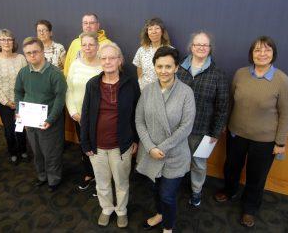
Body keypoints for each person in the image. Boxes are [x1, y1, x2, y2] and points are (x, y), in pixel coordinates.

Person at [214, 36, 288, 227]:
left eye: (267, 50)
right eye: (258, 50)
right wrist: (224, 123)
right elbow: (231, 101)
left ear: (273, 54)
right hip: (236, 133)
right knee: (231, 166)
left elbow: (286, 113)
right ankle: (230, 190)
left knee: (256, 176)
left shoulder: (281, 80)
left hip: (265, 140)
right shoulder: (240, 74)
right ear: (252, 54)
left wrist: (281, 143)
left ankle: (250, 208)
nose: (262, 54)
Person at [135, 46, 196, 232]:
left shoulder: (186, 92)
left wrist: (161, 147)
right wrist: (150, 147)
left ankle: (168, 227)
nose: (163, 71)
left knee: (168, 195)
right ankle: (160, 214)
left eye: (168, 66)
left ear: (176, 68)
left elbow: (186, 127)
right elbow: (139, 120)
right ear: (154, 67)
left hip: (174, 154)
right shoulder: (147, 90)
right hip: (151, 153)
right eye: (159, 66)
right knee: (155, 190)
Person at [81, 43, 140, 228]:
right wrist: (85, 144)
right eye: (104, 58)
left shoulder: (131, 83)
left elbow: (137, 114)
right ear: (100, 61)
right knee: (102, 182)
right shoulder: (92, 84)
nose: (108, 61)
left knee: (122, 182)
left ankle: (121, 210)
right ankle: (106, 208)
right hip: (97, 146)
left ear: (120, 60)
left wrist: (135, 139)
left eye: (112, 57)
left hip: (121, 145)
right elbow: (85, 115)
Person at [177, 31, 229, 207]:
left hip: (203, 130)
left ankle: (196, 192)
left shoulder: (218, 74)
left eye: (205, 45)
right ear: (191, 47)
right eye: (197, 44)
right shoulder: (178, 68)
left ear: (210, 49)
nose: (201, 48)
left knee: (198, 164)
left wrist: (215, 132)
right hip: (177, 127)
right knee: (176, 158)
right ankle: (174, 186)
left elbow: (222, 107)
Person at [15, 37, 67, 192]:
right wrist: (18, 111)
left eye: (35, 52)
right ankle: (42, 176)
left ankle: (54, 179)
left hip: (49, 122)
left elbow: (60, 98)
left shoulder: (55, 74)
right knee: (37, 152)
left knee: (51, 153)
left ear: (42, 51)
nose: (32, 56)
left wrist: (51, 119)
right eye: (28, 53)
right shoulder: (23, 72)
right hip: (30, 120)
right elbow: (18, 92)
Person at [66, 32, 102, 192]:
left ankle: (101, 179)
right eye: (84, 45)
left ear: (97, 46)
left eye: (91, 44)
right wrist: (74, 113)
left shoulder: (104, 65)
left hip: (99, 117)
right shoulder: (75, 64)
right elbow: (69, 90)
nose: (87, 48)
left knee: (100, 148)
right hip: (79, 116)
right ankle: (88, 174)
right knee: (85, 146)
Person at [0, 29, 28, 165]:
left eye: (9, 39)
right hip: (3, 103)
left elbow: (26, 80)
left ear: (13, 42)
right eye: (3, 39)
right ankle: (13, 152)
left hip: (20, 101)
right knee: (9, 129)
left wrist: (19, 101)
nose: (6, 42)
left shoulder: (21, 58)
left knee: (20, 128)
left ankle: (23, 149)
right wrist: (7, 102)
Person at [133, 17, 171, 90]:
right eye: (150, 29)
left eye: (157, 28)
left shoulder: (170, 50)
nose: (154, 31)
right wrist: (141, 83)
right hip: (146, 91)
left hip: (165, 91)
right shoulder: (141, 50)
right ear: (147, 33)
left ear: (162, 32)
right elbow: (139, 69)